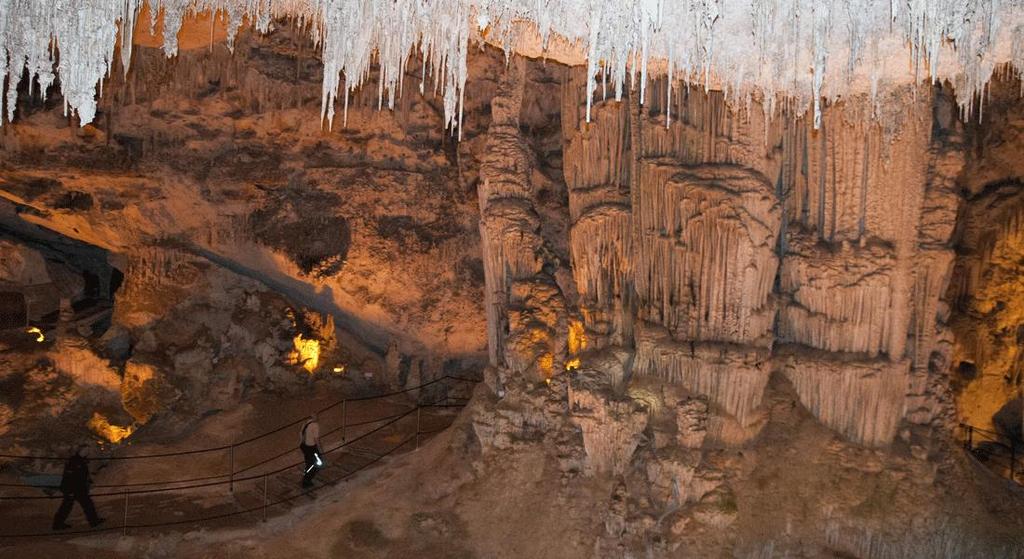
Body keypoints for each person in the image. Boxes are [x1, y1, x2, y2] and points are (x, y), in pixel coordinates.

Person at [52, 445, 105, 530]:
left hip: (75, 488)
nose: (87, 454)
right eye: (86, 452)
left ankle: (58, 524)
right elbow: (73, 476)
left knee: (68, 506)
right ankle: (94, 522)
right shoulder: (76, 461)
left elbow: (78, 475)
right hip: (75, 488)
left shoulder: (78, 461)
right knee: (83, 505)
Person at [299, 413, 323, 489]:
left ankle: (306, 478)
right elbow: (316, 439)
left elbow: (300, 434)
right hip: (311, 447)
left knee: (309, 463)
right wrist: (320, 450)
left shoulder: (305, 424)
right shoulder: (315, 425)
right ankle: (306, 480)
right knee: (318, 463)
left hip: (304, 446)